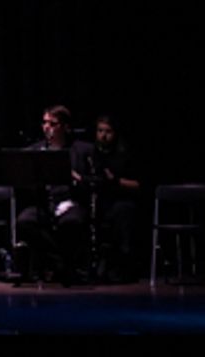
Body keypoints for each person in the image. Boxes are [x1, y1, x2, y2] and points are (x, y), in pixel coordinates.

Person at [16, 105, 94, 283]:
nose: (47, 127)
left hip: (70, 201)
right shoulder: (35, 151)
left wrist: (77, 178)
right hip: (44, 203)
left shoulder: (82, 150)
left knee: (71, 222)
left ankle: (64, 265)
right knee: (24, 221)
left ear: (65, 127)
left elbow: (94, 180)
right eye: (44, 123)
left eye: (53, 123)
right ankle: (60, 263)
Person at [89, 113, 140, 282]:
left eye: (108, 131)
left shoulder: (124, 155)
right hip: (99, 200)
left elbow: (138, 185)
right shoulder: (92, 153)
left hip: (121, 201)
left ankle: (123, 269)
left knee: (122, 211)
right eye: (100, 131)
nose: (103, 135)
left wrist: (115, 181)